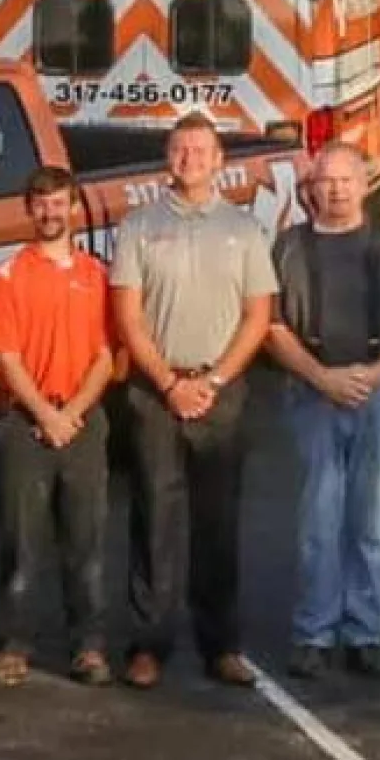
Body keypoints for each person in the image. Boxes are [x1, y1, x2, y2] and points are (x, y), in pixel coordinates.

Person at [111, 115, 277, 689]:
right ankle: (148, 645)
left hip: (221, 392)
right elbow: (128, 316)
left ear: (219, 159)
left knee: (218, 523)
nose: (190, 158)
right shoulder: (137, 226)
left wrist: (214, 380)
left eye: (201, 149)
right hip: (155, 392)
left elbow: (260, 316)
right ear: (168, 156)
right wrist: (169, 383)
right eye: (181, 148)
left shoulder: (245, 229)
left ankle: (222, 645)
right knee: (153, 520)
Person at [270, 142, 380, 682]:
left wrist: (378, 375)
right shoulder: (289, 247)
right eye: (325, 181)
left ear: (365, 185)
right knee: (319, 519)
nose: (335, 190)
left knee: (371, 522)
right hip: (312, 393)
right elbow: (272, 328)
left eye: (345, 180)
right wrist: (321, 377)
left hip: (376, 393)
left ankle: (365, 633)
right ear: (310, 188)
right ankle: (314, 632)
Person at [0, 166, 117, 688]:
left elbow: (107, 356)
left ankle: (88, 645)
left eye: (59, 203)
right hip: (26, 421)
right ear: (28, 210)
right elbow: (7, 357)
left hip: (82, 419)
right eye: (40, 204)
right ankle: (13, 644)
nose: (50, 213)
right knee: (21, 540)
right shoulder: (10, 275)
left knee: (86, 541)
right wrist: (46, 415)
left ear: (74, 209)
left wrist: (73, 414)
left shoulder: (96, 275)